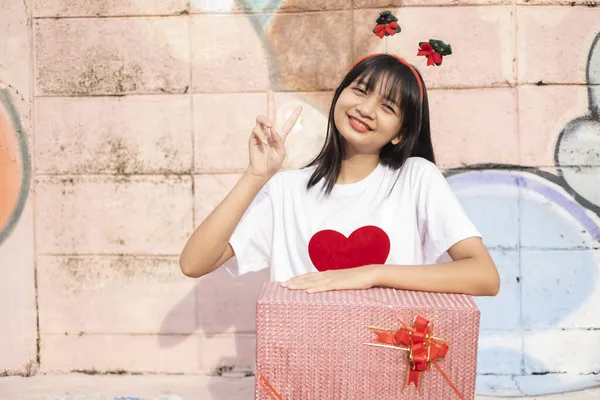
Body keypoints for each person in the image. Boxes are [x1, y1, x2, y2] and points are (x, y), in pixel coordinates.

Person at [179, 54, 500, 296]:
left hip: (391, 368)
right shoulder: (286, 190)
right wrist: (255, 175)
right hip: (304, 366)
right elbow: (194, 264)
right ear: (340, 95)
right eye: (360, 91)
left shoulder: (416, 178)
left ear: (400, 134)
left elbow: (484, 276)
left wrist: (371, 274)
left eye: (387, 107)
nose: (366, 109)